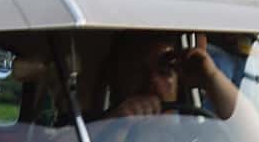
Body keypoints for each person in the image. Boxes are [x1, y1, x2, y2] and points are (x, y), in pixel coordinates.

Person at [99, 33, 239, 120]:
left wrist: (211, 77)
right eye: (137, 71)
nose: (152, 80)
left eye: (164, 70)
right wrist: (117, 124)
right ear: (115, 77)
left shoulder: (193, 130)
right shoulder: (89, 130)